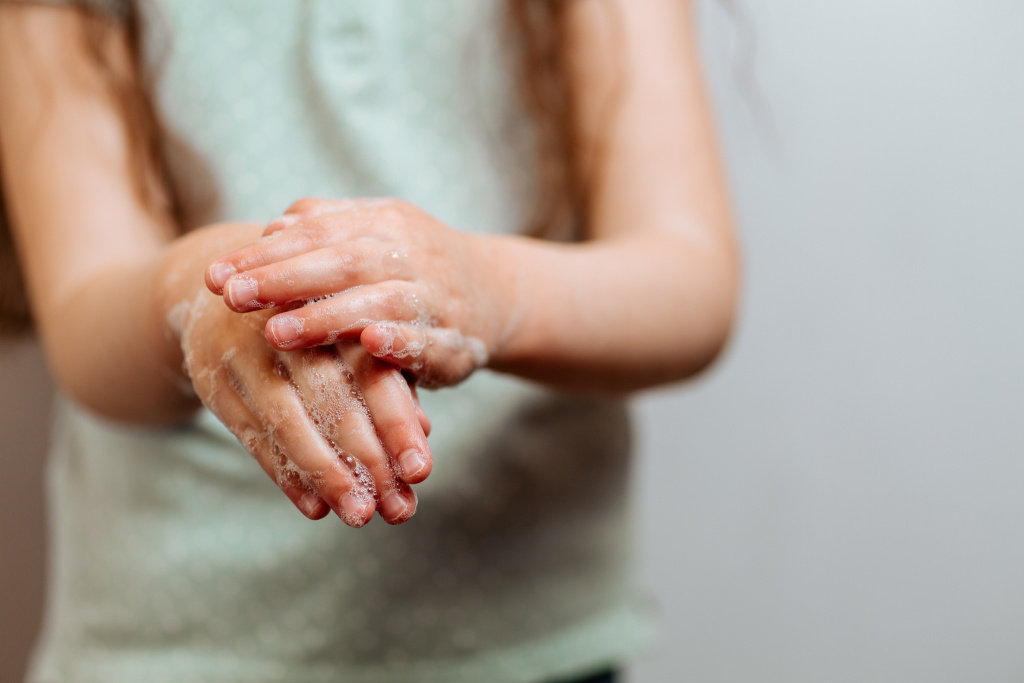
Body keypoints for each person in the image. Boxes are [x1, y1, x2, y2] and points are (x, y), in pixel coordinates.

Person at [0, 0, 739, 681]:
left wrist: (490, 290)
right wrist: (201, 292)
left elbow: (687, 281)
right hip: (174, 645)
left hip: (525, 638)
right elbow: (85, 318)